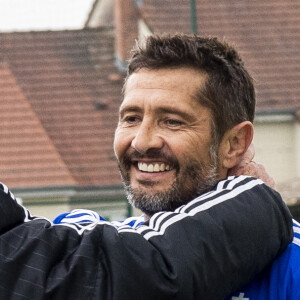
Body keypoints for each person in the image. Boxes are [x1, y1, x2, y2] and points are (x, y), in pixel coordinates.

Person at [0, 34, 294, 299]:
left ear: (234, 144)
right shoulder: (82, 240)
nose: (142, 141)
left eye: (172, 121)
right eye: (130, 118)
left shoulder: (289, 263)